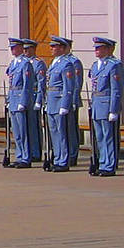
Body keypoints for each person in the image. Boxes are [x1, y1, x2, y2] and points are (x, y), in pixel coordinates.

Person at [88, 37, 122, 177]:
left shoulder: (114, 65)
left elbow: (116, 89)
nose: (96, 50)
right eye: (95, 48)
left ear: (108, 49)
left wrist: (114, 109)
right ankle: (102, 163)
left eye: (99, 48)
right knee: (100, 137)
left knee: (109, 136)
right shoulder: (96, 65)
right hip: (97, 104)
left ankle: (110, 165)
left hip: (107, 105)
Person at [44, 36, 74, 172]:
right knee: (54, 132)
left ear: (62, 48)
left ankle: (63, 160)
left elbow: (68, 87)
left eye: (54, 46)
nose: (51, 49)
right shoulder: (53, 63)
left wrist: (65, 105)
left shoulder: (66, 64)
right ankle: (57, 158)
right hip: (51, 102)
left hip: (59, 101)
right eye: (51, 46)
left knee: (62, 133)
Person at [4, 38, 32, 168]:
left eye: (14, 47)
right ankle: (19, 155)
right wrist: (9, 99)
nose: (12, 50)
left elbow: (27, 84)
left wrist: (23, 101)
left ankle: (26, 157)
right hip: (13, 97)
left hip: (20, 97)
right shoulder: (13, 63)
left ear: (21, 48)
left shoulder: (25, 63)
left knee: (23, 130)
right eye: (11, 48)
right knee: (16, 131)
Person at [23, 39, 47, 164]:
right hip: (24, 97)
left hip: (33, 95)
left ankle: (36, 152)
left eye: (27, 49)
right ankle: (27, 151)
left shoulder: (38, 63)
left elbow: (41, 82)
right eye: (24, 49)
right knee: (24, 126)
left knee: (33, 126)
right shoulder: (22, 63)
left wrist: (39, 99)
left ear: (33, 49)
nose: (25, 51)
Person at [66, 39, 85, 170]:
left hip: (71, 100)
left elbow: (76, 84)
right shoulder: (59, 62)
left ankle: (73, 154)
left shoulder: (74, 62)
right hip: (61, 101)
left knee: (71, 128)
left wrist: (73, 100)